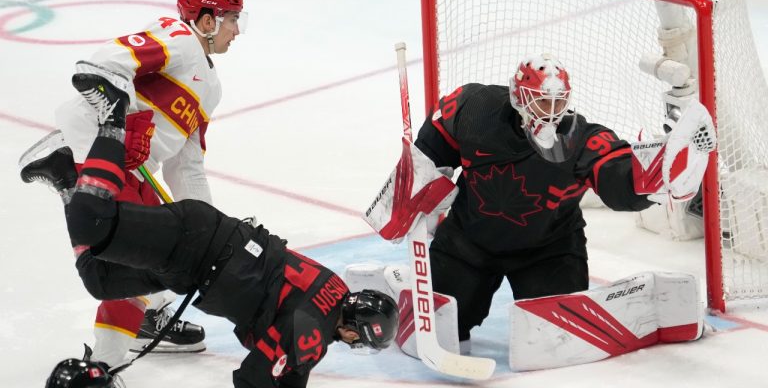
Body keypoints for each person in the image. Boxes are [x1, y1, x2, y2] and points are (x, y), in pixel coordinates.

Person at [35, 64, 399, 388]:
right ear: (354, 331)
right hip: (196, 245)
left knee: (103, 282)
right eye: (357, 341)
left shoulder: (332, 295)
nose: (351, 342)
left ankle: (66, 175)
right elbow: (252, 378)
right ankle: (112, 119)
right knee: (91, 223)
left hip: (196, 262)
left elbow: (291, 364)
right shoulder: (313, 332)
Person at [366, 53, 715, 354]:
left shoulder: (580, 137)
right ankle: (406, 286)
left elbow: (614, 174)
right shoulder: (474, 108)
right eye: (540, 100)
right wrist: (412, 188)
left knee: (557, 341)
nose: (550, 112)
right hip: (469, 243)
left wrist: (651, 180)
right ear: (519, 96)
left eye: (558, 102)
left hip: (548, 251)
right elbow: (433, 146)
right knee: (443, 331)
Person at [19, 0, 246, 366]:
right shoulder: (178, 37)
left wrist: (208, 227)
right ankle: (102, 366)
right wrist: (122, 120)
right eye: (232, 20)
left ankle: (147, 316)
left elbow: (186, 163)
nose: (237, 31)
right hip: (103, 149)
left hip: (137, 170)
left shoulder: (211, 86)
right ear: (207, 21)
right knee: (135, 259)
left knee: (164, 253)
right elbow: (101, 64)